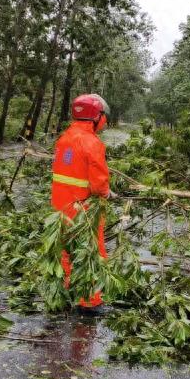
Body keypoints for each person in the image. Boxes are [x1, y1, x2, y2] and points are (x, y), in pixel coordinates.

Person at [51, 94, 115, 308]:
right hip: (85, 210)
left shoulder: (64, 138)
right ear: (96, 116)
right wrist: (106, 192)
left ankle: (67, 290)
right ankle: (89, 300)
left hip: (61, 208)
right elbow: (98, 185)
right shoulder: (92, 143)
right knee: (91, 251)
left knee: (66, 250)